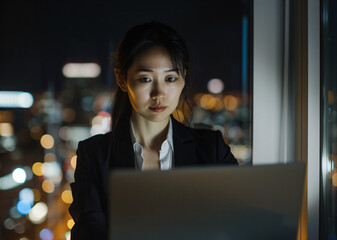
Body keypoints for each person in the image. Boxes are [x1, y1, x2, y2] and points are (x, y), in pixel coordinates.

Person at [69, 21, 238, 239]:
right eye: (145, 79)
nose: (159, 93)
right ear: (121, 79)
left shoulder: (212, 149)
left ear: (183, 77)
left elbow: (238, 220)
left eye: (170, 78)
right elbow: (89, 232)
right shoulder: (95, 155)